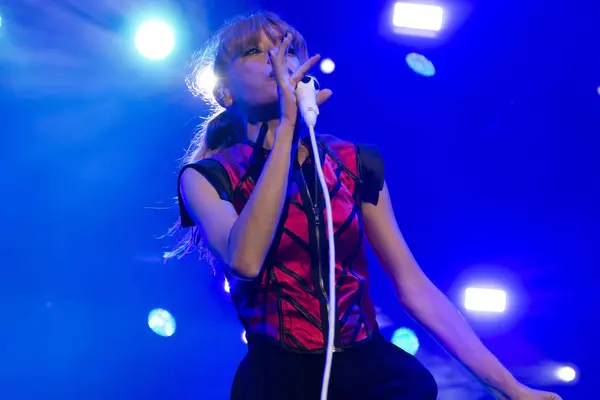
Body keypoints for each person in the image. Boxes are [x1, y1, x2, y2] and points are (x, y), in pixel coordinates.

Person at [166, 11, 562, 400]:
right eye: (255, 50)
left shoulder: (354, 163)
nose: (276, 56)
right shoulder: (206, 176)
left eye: (288, 48)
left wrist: (511, 388)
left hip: (369, 369)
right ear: (225, 92)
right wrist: (287, 128)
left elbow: (415, 288)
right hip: (277, 377)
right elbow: (246, 260)